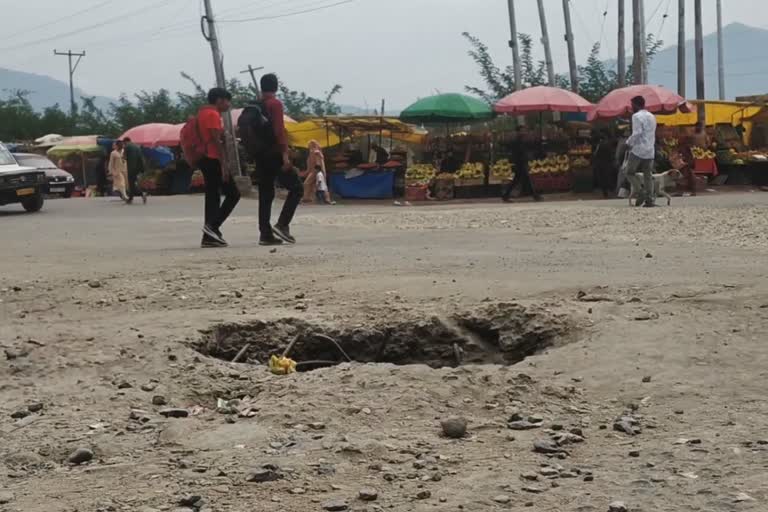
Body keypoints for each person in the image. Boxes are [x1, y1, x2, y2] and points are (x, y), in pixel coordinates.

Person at [255, 73, 303, 246]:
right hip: (274, 154)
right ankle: (282, 224)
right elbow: (279, 131)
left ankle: (265, 234)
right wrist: (285, 155)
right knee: (297, 188)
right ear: (276, 87)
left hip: (260, 156)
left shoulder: (256, 105)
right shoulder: (274, 104)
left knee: (265, 194)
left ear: (262, 87)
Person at [195, 87, 241, 248]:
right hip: (213, 158)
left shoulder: (201, 113)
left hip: (205, 158)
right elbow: (216, 141)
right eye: (227, 100)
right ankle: (212, 227)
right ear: (219, 100)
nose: (229, 104)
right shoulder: (212, 114)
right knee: (234, 194)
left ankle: (209, 236)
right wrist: (224, 164)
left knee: (213, 197)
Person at [625, 95, 658, 207]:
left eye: (632, 105)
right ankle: (650, 200)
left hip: (638, 149)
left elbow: (637, 133)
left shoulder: (636, 116)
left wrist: (628, 143)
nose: (631, 107)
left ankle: (640, 191)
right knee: (648, 175)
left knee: (629, 172)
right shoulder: (652, 116)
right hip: (650, 150)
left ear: (636, 105)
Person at [502, 126, 541, 202]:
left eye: (524, 130)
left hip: (521, 162)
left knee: (517, 180)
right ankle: (535, 196)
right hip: (519, 163)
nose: (524, 132)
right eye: (522, 131)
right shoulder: (517, 141)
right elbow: (518, 152)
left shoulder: (521, 140)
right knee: (526, 180)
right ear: (518, 132)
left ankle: (506, 195)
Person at [122, 137, 147, 204]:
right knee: (133, 183)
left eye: (124, 143)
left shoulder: (127, 147)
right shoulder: (137, 146)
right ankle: (131, 198)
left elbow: (124, 157)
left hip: (132, 168)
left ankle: (141, 194)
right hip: (139, 168)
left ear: (125, 142)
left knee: (131, 184)